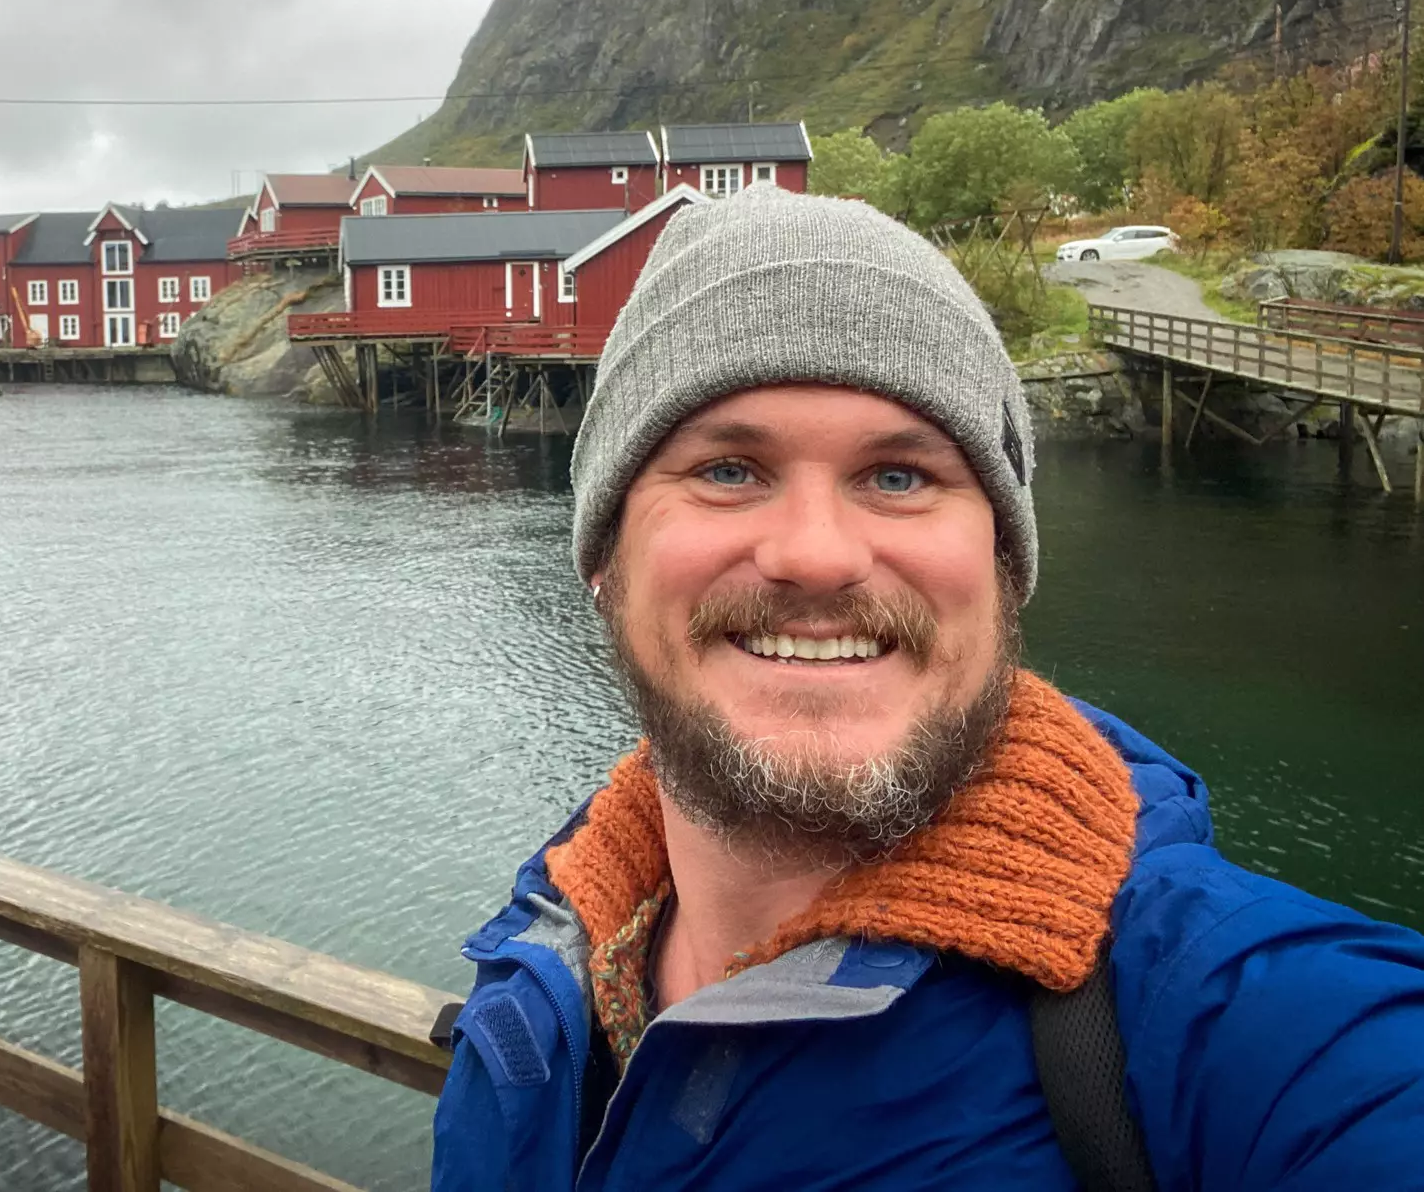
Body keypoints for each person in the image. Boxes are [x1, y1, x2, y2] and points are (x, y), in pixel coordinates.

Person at [430, 188, 1424, 1189]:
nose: (815, 554)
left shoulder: (1243, 1033)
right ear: (604, 559)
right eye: (728, 468)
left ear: (1002, 566)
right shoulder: (549, 945)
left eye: (899, 475)